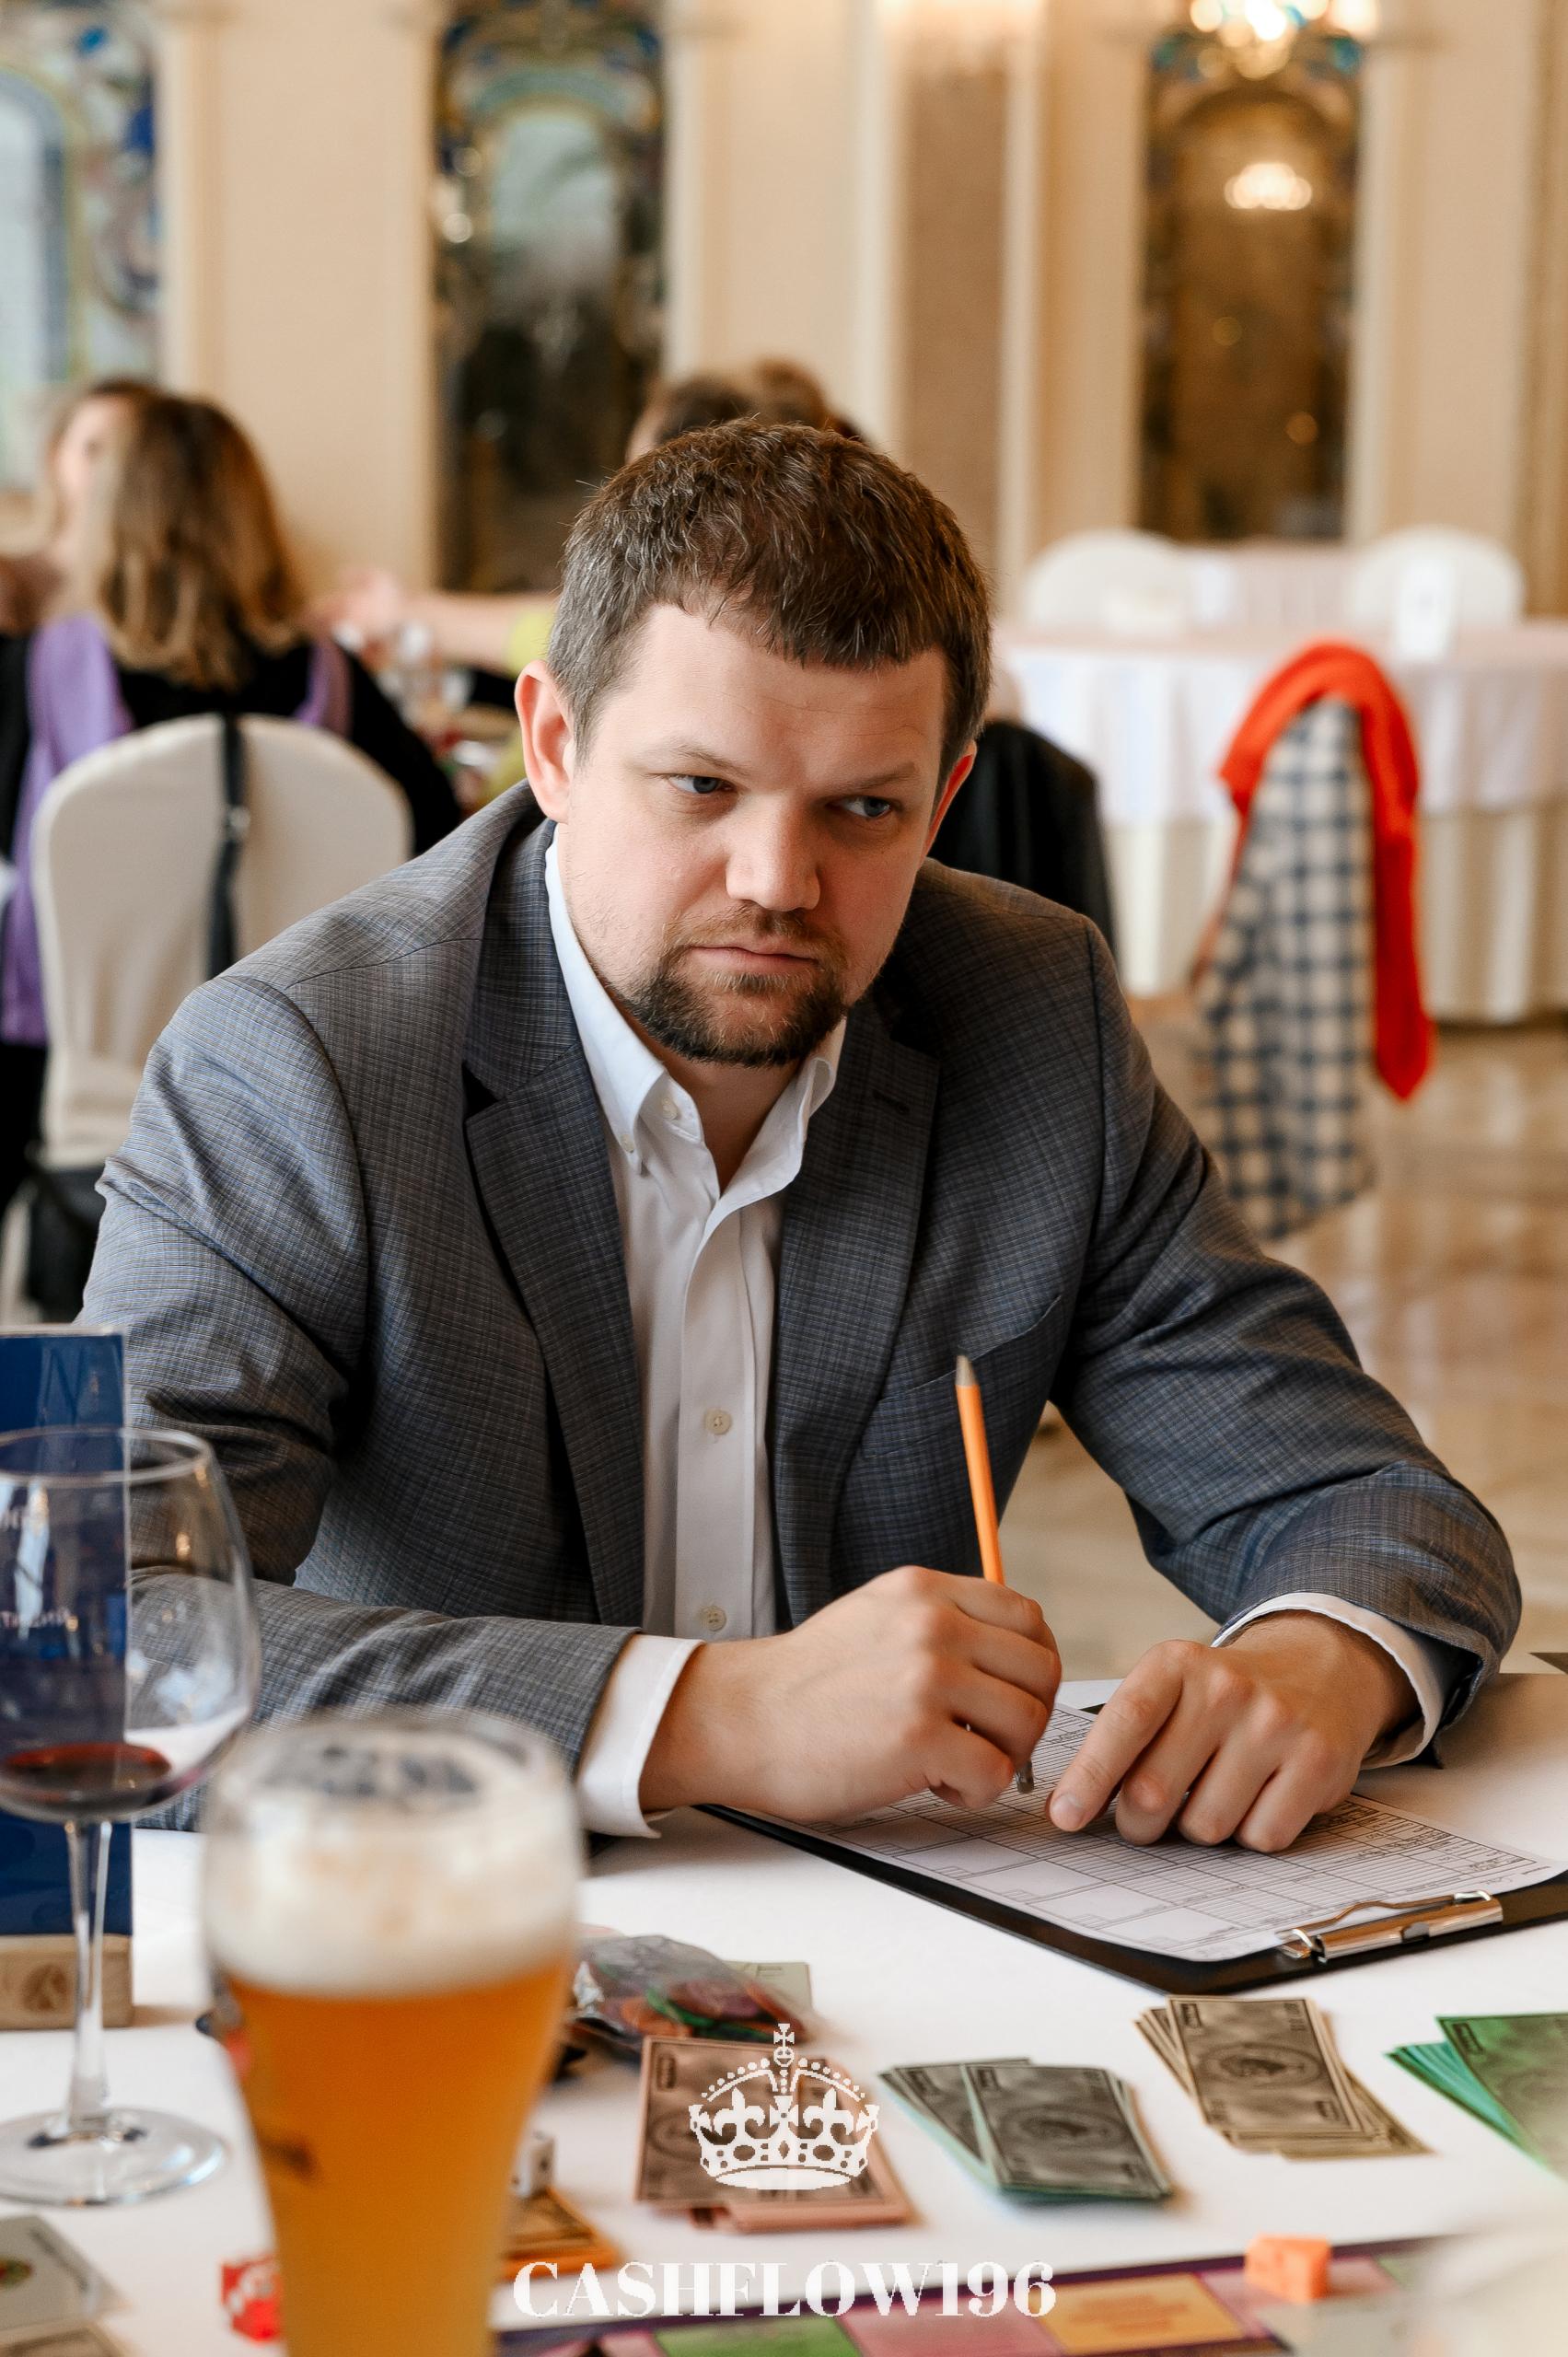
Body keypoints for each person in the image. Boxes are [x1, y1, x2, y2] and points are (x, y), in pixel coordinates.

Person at [87, 424, 1516, 1852]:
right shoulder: (298, 1061)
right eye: (700, 788)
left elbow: (1365, 1499)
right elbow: (108, 1631)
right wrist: (711, 1716)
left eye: (862, 809)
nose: (776, 881)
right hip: (456, 1917)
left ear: (941, 802)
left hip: (910, 1920)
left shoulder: (1033, 1020)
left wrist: (1318, 1661)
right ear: (554, 746)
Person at [0, 392, 461, 1246]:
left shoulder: (32, 672)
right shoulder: (335, 681)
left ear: (109, 518)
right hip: (305, 1085)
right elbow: (440, 856)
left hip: (82, 1090)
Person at [0, 377, 154, 634]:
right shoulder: (8, 581)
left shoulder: (174, 595)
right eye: (93, 448)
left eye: (130, 453)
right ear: (55, 455)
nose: (112, 469)